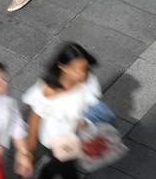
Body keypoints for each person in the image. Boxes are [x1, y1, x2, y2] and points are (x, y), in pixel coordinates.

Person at [22, 42, 100, 179]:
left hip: (76, 135)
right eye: (76, 69)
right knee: (66, 167)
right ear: (62, 66)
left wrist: (86, 122)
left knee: (61, 167)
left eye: (84, 68)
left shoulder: (88, 81)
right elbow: (33, 123)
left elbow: (92, 106)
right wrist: (28, 154)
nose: (82, 74)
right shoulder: (46, 92)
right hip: (55, 141)